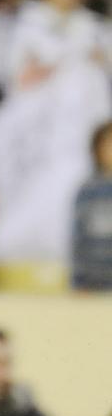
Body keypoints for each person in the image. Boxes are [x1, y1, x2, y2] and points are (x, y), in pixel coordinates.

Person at [71, 121, 112, 290]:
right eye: (107, 145)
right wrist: (80, 280)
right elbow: (78, 239)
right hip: (93, 281)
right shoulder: (87, 191)